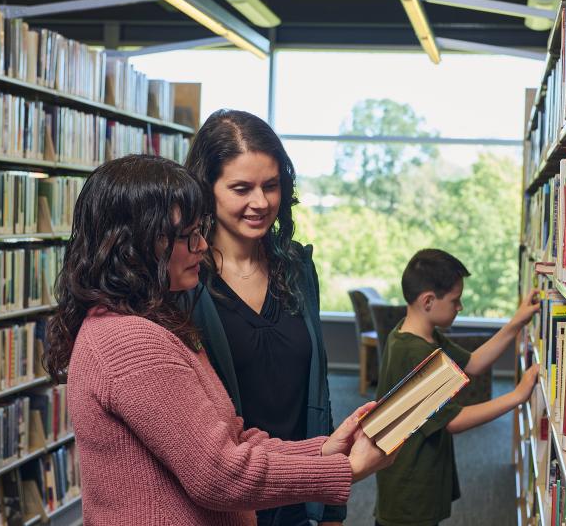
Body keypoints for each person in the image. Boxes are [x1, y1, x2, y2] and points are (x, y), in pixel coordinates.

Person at [44, 155, 391, 525]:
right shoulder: (131, 341)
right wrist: (346, 470)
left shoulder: (152, 324)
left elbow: (231, 440)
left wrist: (324, 450)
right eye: (185, 236)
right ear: (132, 246)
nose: (202, 246)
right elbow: (220, 475)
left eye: (201, 230)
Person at [185, 109, 345, 526]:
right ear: (208, 189)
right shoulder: (183, 280)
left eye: (271, 186)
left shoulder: (297, 267)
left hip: (302, 491)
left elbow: (319, 386)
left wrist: (331, 505)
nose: (260, 203)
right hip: (227, 503)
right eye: (241, 188)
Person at [374, 249, 541, 526]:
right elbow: (455, 420)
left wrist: (516, 323)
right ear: (428, 301)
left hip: (415, 479)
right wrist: (517, 396)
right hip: (410, 490)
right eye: (455, 300)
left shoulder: (414, 333)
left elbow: (473, 363)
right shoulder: (416, 353)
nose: (460, 307)